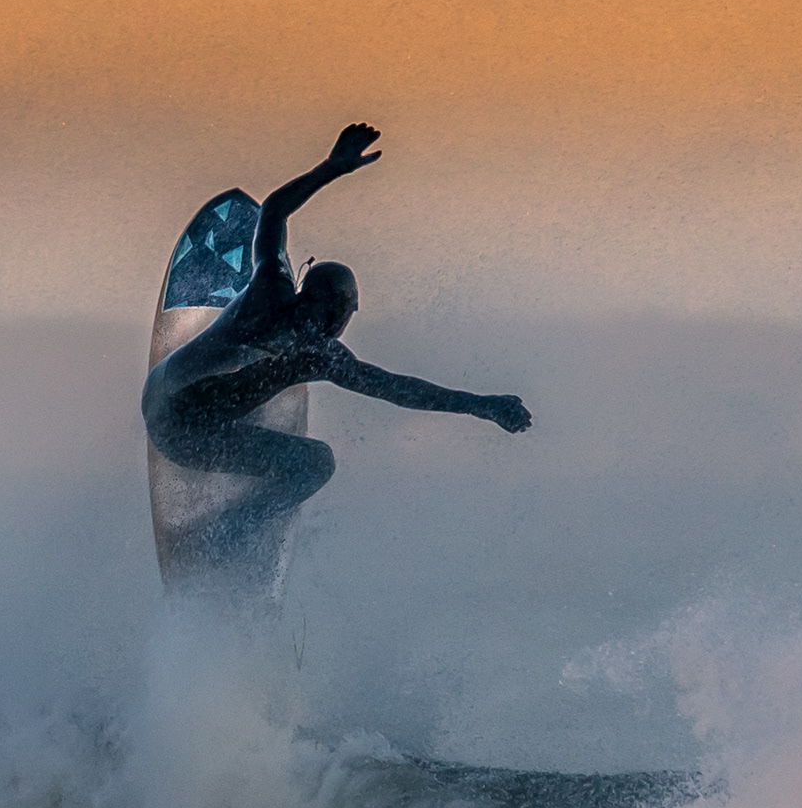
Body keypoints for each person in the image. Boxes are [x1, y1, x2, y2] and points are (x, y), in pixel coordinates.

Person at [143, 123, 529, 575]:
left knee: (241, 381)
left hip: (160, 393)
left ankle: (230, 422)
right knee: (314, 464)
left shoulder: (270, 285)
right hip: (180, 435)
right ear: (338, 313)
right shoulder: (319, 352)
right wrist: (484, 406)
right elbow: (400, 390)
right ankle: (228, 534)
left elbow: (274, 211)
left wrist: (331, 168)